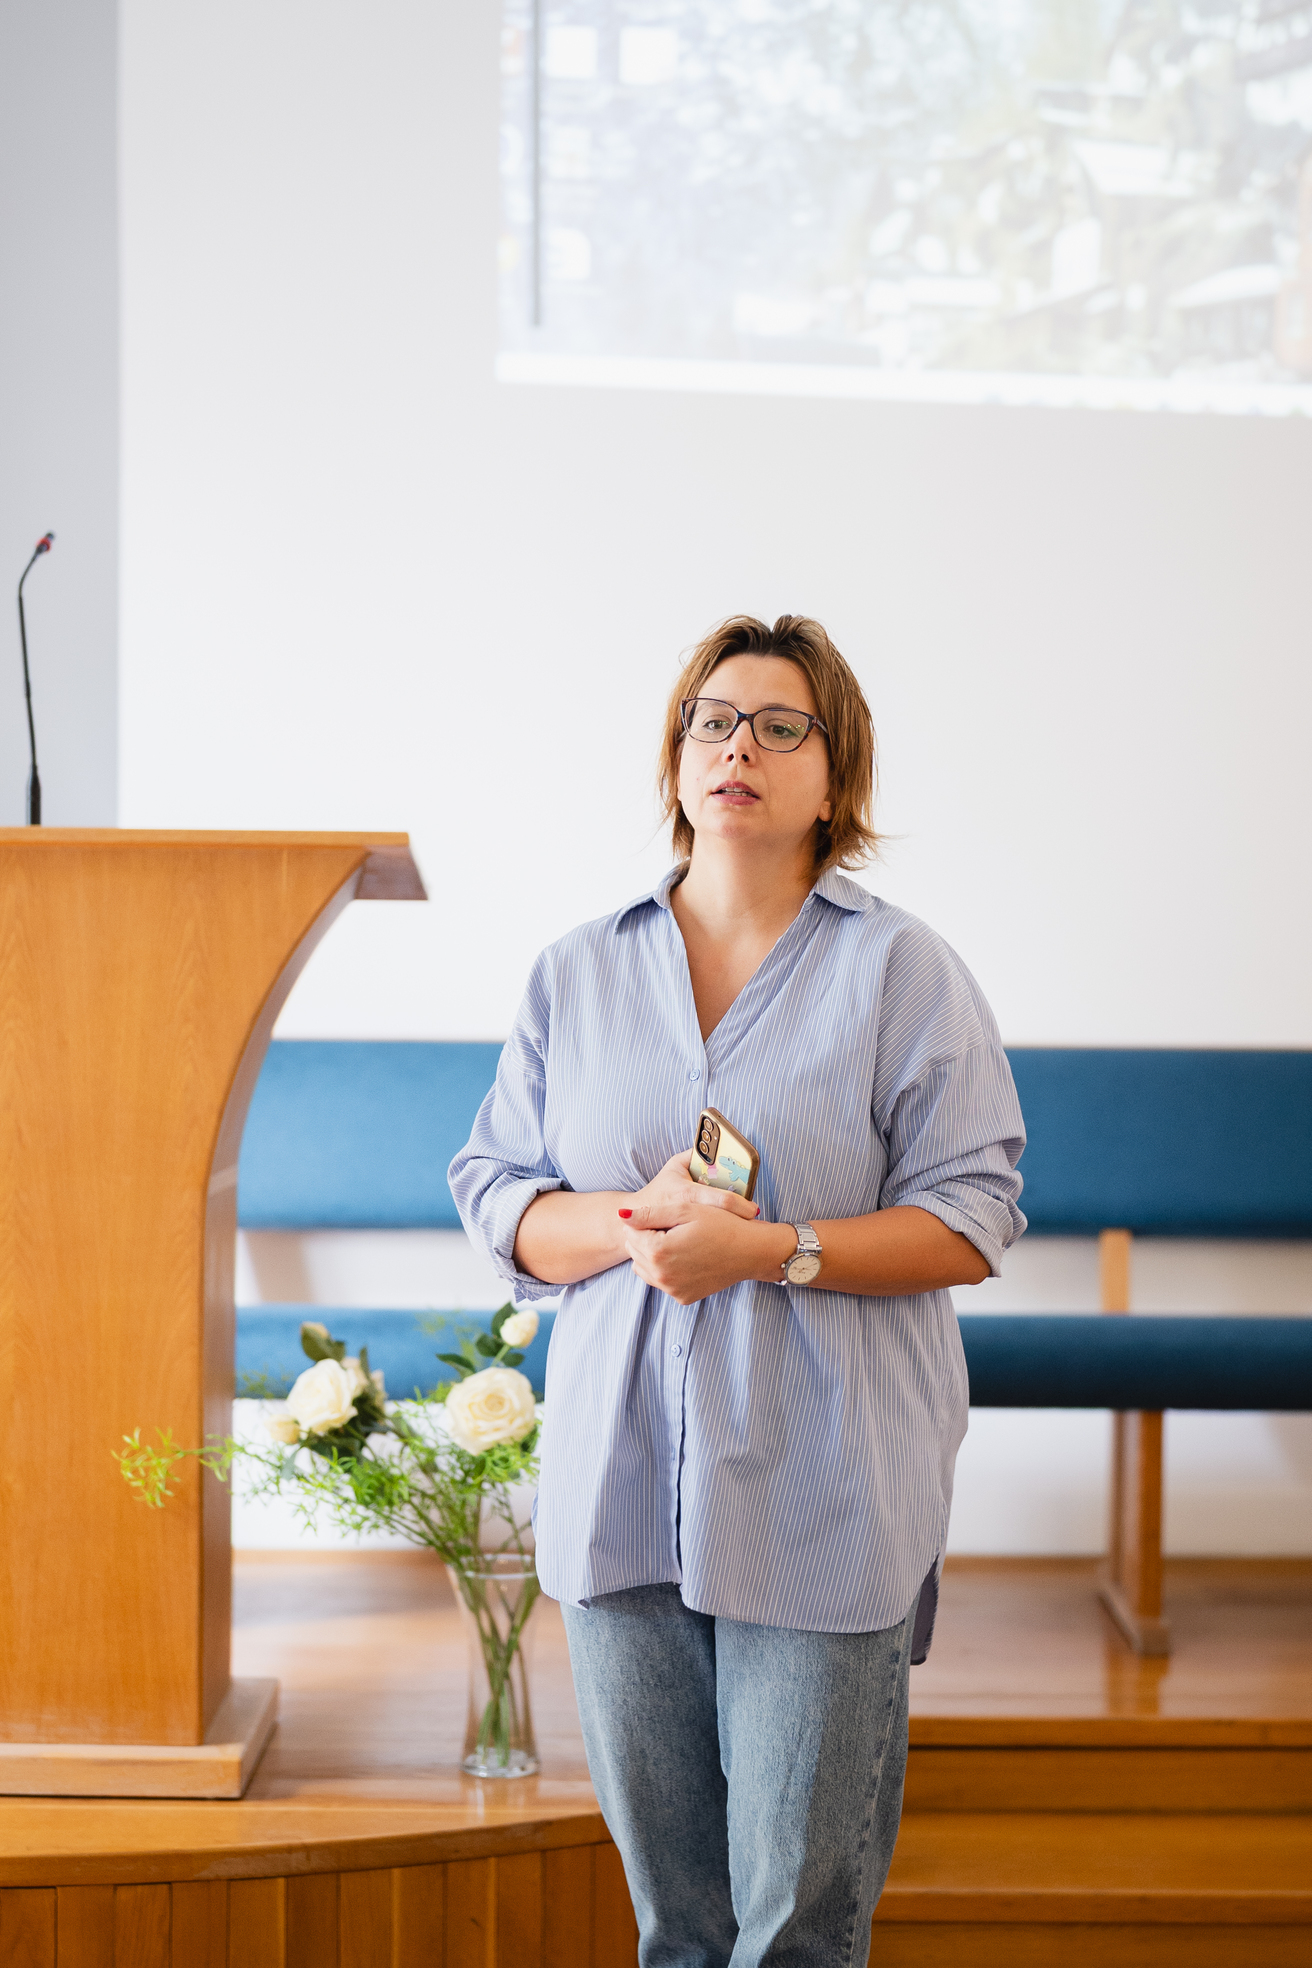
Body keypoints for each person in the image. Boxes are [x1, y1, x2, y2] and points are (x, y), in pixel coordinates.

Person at [450, 615, 1025, 1968]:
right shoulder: (578, 970)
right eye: (714, 721)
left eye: (780, 727)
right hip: (619, 1487)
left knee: (796, 1933)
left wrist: (768, 1251)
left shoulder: (902, 972)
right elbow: (498, 1194)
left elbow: (972, 1215)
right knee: (676, 1928)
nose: (739, 748)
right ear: (676, 757)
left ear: (836, 777)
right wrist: (634, 1221)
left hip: (828, 1488)